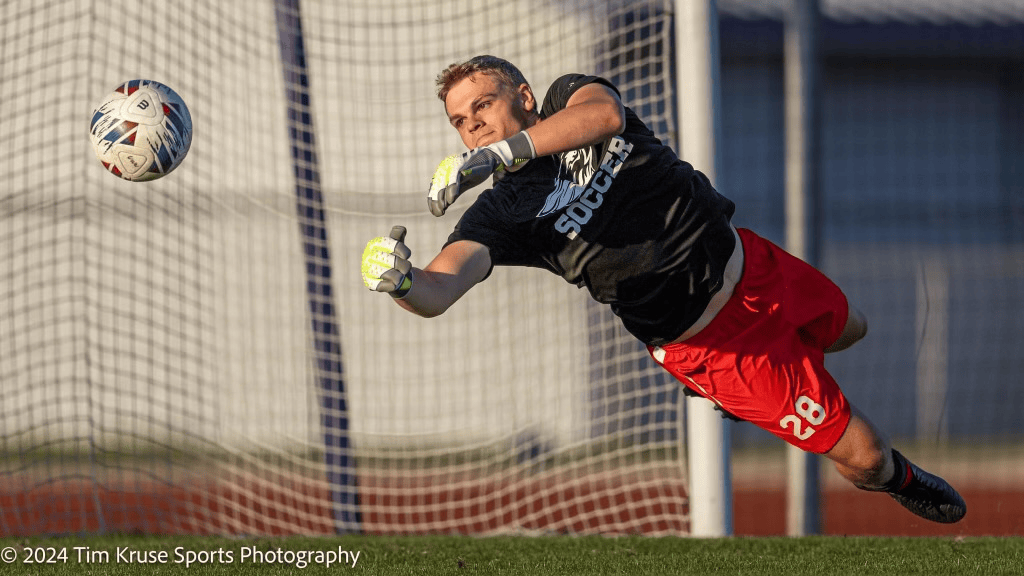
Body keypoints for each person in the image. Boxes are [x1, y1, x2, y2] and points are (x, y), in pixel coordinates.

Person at [360, 55, 966, 524]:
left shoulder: (569, 96)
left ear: (523, 96)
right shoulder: (501, 213)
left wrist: (502, 149)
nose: (474, 127)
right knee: (865, 457)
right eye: (462, 123)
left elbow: (605, 118)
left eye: (483, 106)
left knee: (852, 326)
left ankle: (773, 387)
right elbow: (441, 287)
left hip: (752, 263)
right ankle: (900, 479)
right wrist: (403, 282)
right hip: (714, 344)